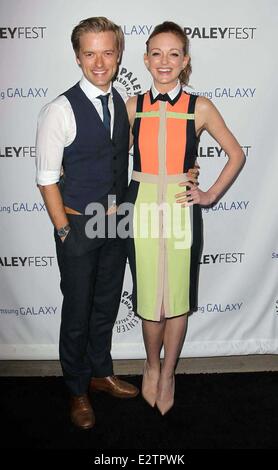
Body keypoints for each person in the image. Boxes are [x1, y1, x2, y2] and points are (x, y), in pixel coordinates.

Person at [125, 21, 245, 415]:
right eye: (156, 53)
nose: (164, 61)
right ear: (145, 59)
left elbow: (236, 154)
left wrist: (207, 194)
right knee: (148, 299)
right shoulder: (133, 105)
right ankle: (151, 365)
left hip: (180, 209)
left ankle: (170, 371)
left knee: (176, 300)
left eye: (173, 53)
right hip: (141, 208)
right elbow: (112, 159)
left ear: (185, 60)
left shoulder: (201, 106)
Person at [35, 17, 140, 431]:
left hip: (115, 225)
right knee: (77, 311)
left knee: (105, 306)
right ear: (77, 56)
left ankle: (100, 372)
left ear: (118, 56)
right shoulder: (59, 109)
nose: (100, 62)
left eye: (108, 52)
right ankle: (77, 388)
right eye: (90, 53)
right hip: (78, 226)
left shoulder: (120, 102)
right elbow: (46, 178)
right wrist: (64, 230)